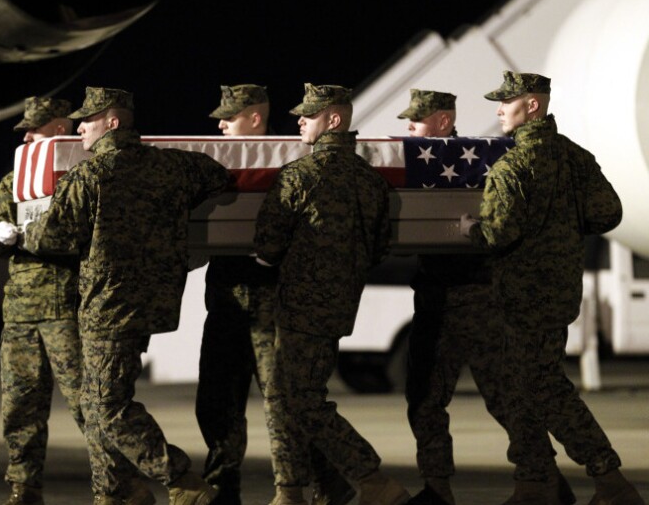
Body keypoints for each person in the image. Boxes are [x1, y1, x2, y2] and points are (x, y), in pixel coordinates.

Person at [21, 86, 230, 505]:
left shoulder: (90, 175)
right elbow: (219, 175)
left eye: (89, 120)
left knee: (107, 404)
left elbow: (51, 237)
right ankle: (113, 492)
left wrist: (26, 232)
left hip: (109, 305)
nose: (81, 127)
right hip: (154, 301)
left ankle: (180, 479)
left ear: (112, 122)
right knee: (97, 398)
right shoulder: (173, 167)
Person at [461, 71, 645, 505]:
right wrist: (563, 226)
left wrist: (472, 230)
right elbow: (608, 215)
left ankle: (609, 479)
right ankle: (536, 481)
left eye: (507, 102)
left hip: (522, 296)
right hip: (560, 292)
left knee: (541, 385)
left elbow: (498, 234)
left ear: (532, 106)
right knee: (521, 383)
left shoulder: (512, 166)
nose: (499, 110)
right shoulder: (576, 158)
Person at [399, 89, 572, 505]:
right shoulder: (419, 166)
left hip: (479, 299)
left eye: (417, 120)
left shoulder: (484, 163)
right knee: (423, 400)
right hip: (435, 301)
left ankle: (542, 480)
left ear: (442, 121)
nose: (409, 127)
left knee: (505, 397)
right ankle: (437, 487)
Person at [254, 83, 409, 505]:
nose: (299, 120)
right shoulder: (371, 182)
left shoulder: (301, 176)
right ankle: (325, 487)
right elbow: (379, 248)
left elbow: (267, 248)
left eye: (309, 114)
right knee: (303, 395)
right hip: (342, 305)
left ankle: (371, 479)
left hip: (301, 305)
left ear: (334, 120)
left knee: (295, 398)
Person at [0, 96, 89, 505]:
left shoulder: (83, 175)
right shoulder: (17, 180)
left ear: (60, 128)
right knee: (20, 406)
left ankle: (115, 486)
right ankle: (24, 487)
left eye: (36, 128)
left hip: (67, 309)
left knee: (87, 404)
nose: (27, 135)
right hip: (22, 312)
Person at [196, 84, 278, 505]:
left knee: (286, 406)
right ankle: (222, 489)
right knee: (215, 403)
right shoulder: (216, 167)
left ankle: (314, 484)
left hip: (270, 306)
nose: (221, 124)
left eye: (229, 117)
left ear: (256, 118)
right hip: (226, 303)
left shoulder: (287, 162)